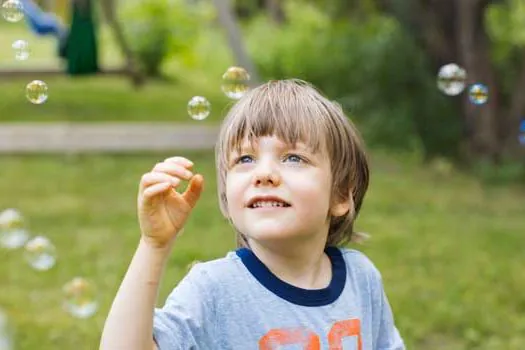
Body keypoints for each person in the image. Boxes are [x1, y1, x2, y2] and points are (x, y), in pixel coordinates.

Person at [100, 79, 405, 350]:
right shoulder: (214, 289)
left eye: (293, 158)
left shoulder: (361, 279)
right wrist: (154, 246)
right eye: (245, 158)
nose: (264, 174)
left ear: (339, 195)